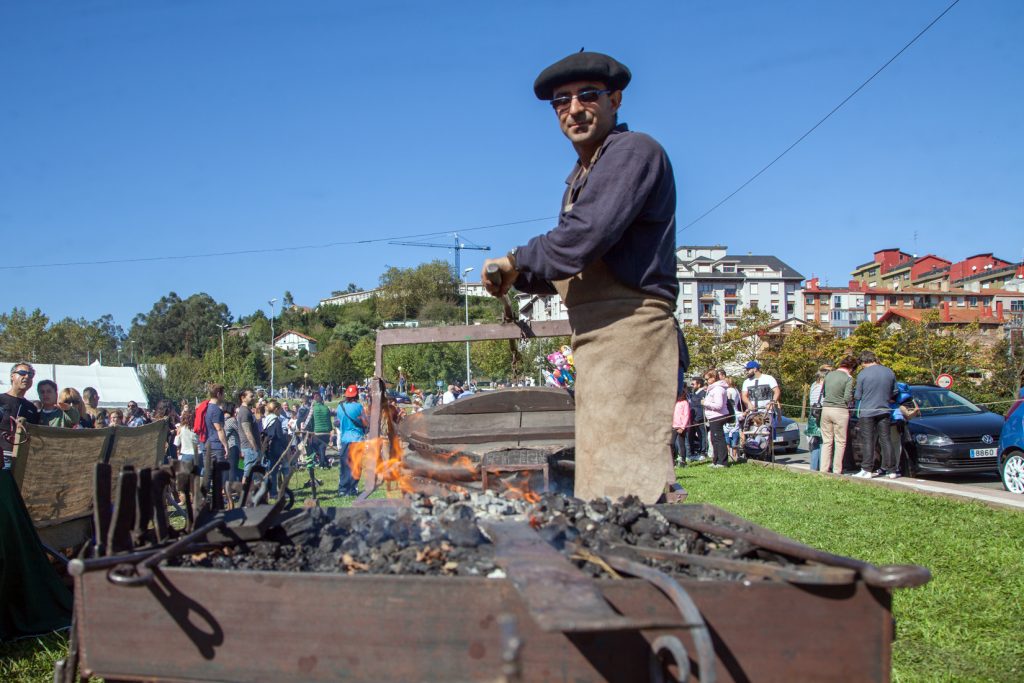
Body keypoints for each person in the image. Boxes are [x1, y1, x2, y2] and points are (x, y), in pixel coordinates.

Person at [481, 51, 685, 503]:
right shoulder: (581, 175)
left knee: (625, 485)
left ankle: (635, 567)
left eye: (587, 96)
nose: (574, 109)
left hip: (630, 335)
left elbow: (580, 239)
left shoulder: (634, 152)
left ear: (614, 100)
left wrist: (516, 259)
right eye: (561, 101)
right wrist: (519, 277)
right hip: (594, 340)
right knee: (601, 478)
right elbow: (570, 263)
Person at [853, 351, 897, 479]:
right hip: (884, 410)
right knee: (886, 439)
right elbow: (894, 391)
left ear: (863, 362)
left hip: (867, 411)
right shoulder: (889, 371)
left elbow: (858, 396)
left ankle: (867, 468)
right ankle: (891, 469)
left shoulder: (863, 374)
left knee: (868, 440)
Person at [820, 356, 856, 474]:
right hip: (840, 410)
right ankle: (837, 470)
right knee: (840, 442)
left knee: (827, 441)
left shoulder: (829, 375)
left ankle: (823, 469)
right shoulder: (848, 378)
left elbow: (824, 392)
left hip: (826, 409)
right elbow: (847, 397)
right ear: (851, 368)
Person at [2, 363, 42, 459]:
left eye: (31, 374)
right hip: (2, 456)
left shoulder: (31, 407)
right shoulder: (1, 400)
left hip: (22, 459)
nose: (27, 376)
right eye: (22, 373)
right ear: (12, 376)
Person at [335, 385, 366, 496]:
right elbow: (365, 422)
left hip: (344, 439)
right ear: (356, 395)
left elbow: (337, 422)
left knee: (344, 465)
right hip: (357, 439)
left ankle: (343, 489)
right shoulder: (359, 407)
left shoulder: (340, 407)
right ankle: (352, 489)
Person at [889, 382, 921, 478]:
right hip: (902, 424)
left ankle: (894, 467)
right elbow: (915, 412)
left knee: (894, 445)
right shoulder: (909, 399)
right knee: (898, 445)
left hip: (894, 423)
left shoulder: (898, 404)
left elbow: (908, 414)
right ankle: (898, 467)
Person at [701, 370, 732, 468]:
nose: (706, 381)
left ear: (713, 378)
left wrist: (705, 403)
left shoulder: (718, 389)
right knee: (714, 439)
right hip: (713, 416)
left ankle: (722, 462)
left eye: (707, 379)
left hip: (717, 416)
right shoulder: (713, 388)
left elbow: (718, 405)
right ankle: (716, 460)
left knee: (719, 439)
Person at [203, 385, 230, 489]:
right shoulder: (216, 410)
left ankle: (204, 497)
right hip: (216, 445)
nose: (224, 396)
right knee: (218, 474)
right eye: (223, 393)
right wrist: (226, 446)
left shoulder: (206, 407)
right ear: (218, 394)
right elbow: (219, 429)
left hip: (207, 443)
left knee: (208, 473)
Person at [806, 366, 830, 472]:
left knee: (815, 442)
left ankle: (813, 466)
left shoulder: (813, 386)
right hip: (822, 415)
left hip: (812, 415)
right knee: (822, 442)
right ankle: (821, 465)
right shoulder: (825, 387)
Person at [303, 392, 333, 469]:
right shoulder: (326, 408)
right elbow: (330, 417)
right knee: (322, 448)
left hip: (317, 432)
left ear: (314, 400)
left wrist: (303, 427)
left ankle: (322, 464)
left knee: (314, 446)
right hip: (326, 432)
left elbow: (308, 419)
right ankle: (325, 463)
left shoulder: (313, 408)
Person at [718, 370, 742, 462]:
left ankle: (731, 456)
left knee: (729, 438)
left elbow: (730, 402)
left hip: (731, 412)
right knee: (734, 437)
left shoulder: (729, 390)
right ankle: (734, 456)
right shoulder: (736, 390)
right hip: (736, 411)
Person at [687, 378, 707, 462]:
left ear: (699, 385)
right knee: (691, 436)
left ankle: (703, 452)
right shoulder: (693, 394)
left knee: (702, 435)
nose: (692, 385)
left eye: (693, 384)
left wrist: (698, 418)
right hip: (692, 419)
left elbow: (702, 408)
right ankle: (692, 452)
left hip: (699, 419)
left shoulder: (703, 394)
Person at [671, 387, 691, 466]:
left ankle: (683, 460)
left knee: (681, 443)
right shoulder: (674, 403)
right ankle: (672, 460)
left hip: (680, 427)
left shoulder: (684, 403)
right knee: (671, 443)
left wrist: (683, 427)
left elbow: (686, 415)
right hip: (673, 426)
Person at [223, 402, 240, 484]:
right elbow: (240, 431)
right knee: (233, 469)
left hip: (226, 446)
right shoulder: (232, 420)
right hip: (233, 446)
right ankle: (231, 487)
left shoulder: (222, 420)